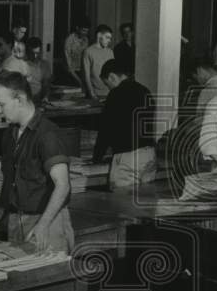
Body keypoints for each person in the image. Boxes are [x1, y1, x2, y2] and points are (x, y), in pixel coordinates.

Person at [0, 73, 74, 254]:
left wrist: (43, 225)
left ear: (20, 99)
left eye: (1, 104)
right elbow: (9, 183)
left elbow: (62, 186)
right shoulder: (9, 135)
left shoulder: (47, 135)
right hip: (16, 222)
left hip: (46, 221)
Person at [93, 59, 156, 190]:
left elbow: (105, 130)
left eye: (107, 84)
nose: (109, 88)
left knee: (122, 204)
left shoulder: (116, 94)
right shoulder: (145, 90)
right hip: (149, 154)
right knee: (144, 199)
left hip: (128, 158)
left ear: (112, 76)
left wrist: (96, 158)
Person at [83, 24, 115, 100]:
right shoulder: (88, 51)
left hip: (110, 93)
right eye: (107, 37)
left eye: (110, 38)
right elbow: (86, 76)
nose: (109, 41)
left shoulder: (110, 52)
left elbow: (113, 74)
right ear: (99, 35)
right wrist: (92, 94)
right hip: (96, 94)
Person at [63, 20, 90, 85]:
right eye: (83, 30)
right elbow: (69, 67)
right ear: (77, 28)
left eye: (87, 31)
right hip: (70, 75)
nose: (85, 33)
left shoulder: (86, 39)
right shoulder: (69, 40)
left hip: (82, 72)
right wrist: (80, 81)